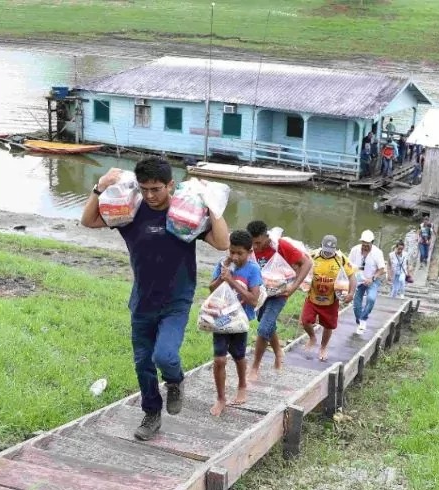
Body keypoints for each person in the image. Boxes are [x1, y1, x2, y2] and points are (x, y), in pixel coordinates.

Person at [80, 159, 229, 441]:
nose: (150, 195)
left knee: (165, 355)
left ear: (170, 185)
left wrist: (212, 205)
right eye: (144, 188)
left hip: (176, 301)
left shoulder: (186, 212)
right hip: (142, 302)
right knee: (142, 363)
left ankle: (175, 381)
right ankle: (152, 413)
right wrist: (99, 188)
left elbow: (222, 243)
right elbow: (88, 221)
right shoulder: (129, 211)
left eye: (157, 189)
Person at [246, 220, 312, 381]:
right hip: (262, 293)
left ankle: (255, 366)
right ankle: (278, 352)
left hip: (280, 293)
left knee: (263, 329)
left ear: (266, 237)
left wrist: (294, 286)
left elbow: (307, 263)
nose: (255, 247)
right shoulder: (250, 248)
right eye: (252, 243)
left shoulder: (280, 246)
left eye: (258, 243)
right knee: (266, 323)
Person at [207, 230, 263, 416]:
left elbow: (253, 300)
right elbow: (211, 290)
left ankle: (242, 385)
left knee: (239, 356)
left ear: (249, 252)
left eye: (240, 253)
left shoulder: (253, 269)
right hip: (221, 319)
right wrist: (222, 277)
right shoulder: (223, 265)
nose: (234, 257)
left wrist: (232, 281)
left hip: (240, 320)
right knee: (219, 359)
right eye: (232, 252)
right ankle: (221, 398)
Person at [301, 235, 356, 361]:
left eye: (330, 251)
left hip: (331, 300)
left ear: (335, 249)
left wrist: (351, 293)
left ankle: (323, 347)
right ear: (321, 245)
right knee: (305, 321)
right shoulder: (312, 255)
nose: (327, 253)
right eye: (325, 250)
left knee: (329, 326)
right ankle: (312, 337)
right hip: (313, 297)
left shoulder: (341, 259)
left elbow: (352, 277)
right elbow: (300, 267)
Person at [348, 229, 387, 335]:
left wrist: (372, 279)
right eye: (363, 244)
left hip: (372, 280)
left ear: (372, 243)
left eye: (367, 245)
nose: (365, 247)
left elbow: (382, 269)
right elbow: (348, 264)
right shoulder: (355, 250)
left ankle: (363, 319)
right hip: (358, 280)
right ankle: (359, 320)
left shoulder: (377, 253)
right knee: (356, 305)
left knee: (371, 298)